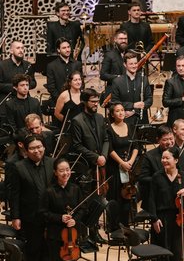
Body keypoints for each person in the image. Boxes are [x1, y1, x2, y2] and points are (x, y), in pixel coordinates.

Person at [8, 134, 55, 261]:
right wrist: (15, 216)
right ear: (26, 150)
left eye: (39, 147)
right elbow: (15, 194)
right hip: (30, 214)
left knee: (48, 247)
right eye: (33, 148)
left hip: (49, 215)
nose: (37, 151)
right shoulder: (19, 167)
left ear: (44, 147)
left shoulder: (51, 163)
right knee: (32, 248)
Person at [40, 158, 84, 261]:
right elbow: (43, 213)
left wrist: (75, 220)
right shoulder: (49, 191)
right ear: (55, 173)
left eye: (67, 169)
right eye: (61, 170)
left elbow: (82, 210)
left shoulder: (75, 189)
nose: (65, 173)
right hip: (55, 234)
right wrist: (60, 218)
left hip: (71, 235)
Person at [147, 146, 184, 261]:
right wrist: (154, 218)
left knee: (177, 249)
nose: (164, 160)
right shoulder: (157, 177)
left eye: (167, 158)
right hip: (162, 217)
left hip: (178, 217)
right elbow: (151, 199)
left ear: (176, 160)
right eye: (163, 158)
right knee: (164, 248)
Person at [70, 89, 110, 244]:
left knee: (99, 199)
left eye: (97, 100)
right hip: (87, 167)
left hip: (101, 165)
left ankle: (94, 232)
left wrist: (104, 156)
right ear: (84, 102)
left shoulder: (100, 118)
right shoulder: (77, 120)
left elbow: (106, 139)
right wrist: (96, 157)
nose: (96, 104)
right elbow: (77, 145)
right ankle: (84, 234)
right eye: (93, 101)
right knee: (86, 201)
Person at [106, 103, 139, 231]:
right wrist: (121, 163)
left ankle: (126, 224)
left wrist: (130, 161)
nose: (121, 113)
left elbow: (136, 146)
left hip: (129, 168)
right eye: (117, 111)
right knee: (115, 197)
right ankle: (114, 227)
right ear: (112, 114)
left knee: (128, 196)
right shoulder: (109, 129)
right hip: (115, 167)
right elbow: (110, 149)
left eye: (122, 110)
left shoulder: (130, 127)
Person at [110, 51, 153, 125]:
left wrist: (134, 111)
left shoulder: (144, 79)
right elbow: (115, 102)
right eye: (131, 64)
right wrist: (133, 105)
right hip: (125, 120)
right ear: (125, 64)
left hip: (141, 120)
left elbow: (149, 100)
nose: (134, 66)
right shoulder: (117, 81)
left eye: (135, 63)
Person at [138, 125, 175, 208]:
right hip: (157, 199)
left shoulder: (181, 153)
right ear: (158, 140)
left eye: (171, 139)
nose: (169, 142)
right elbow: (143, 178)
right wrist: (161, 179)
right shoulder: (149, 156)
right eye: (165, 140)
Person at [46, 38, 82, 107]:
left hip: (76, 102)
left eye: (68, 47)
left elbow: (81, 83)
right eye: (64, 48)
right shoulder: (51, 66)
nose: (67, 50)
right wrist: (62, 99)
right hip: (58, 102)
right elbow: (51, 87)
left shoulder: (77, 64)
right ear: (58, 50)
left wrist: (76, 98)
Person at [100, 29, 128, 97]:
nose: (123, 41)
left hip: (129, 90)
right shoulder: (109, 55)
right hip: (114, 91)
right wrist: (118, 77)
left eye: (125, 39)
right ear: (115, 39)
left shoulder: (131, 54)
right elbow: (103, 75)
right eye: (121, 39)